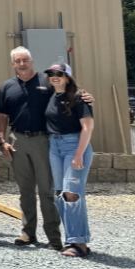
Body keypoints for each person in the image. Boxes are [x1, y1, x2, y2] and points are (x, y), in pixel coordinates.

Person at [0, 47, 63, 249]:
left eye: (25, 60)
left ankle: (53, 236)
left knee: (46, 191)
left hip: (43, 140)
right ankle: (27, 232)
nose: (22, 64)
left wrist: (84, 96)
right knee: (25, 190)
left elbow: (67, 94)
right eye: (17, 61)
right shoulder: (7, 87)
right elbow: (2, 116)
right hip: (17, 140)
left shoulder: (47, 81)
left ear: (32, 61)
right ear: (13, 64)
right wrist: (2, 140)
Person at [44, 64, 95, 258]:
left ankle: (79, 243)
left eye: (59, 74)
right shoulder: (49, 97)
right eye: (51, 74)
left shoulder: (80, 98)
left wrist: (78, 153)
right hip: (54, 146)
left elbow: (87, 127)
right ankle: (71, 240)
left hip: (74, 145)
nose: (54, 77)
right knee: (60, 194)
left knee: (72, 193)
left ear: (68, 78)